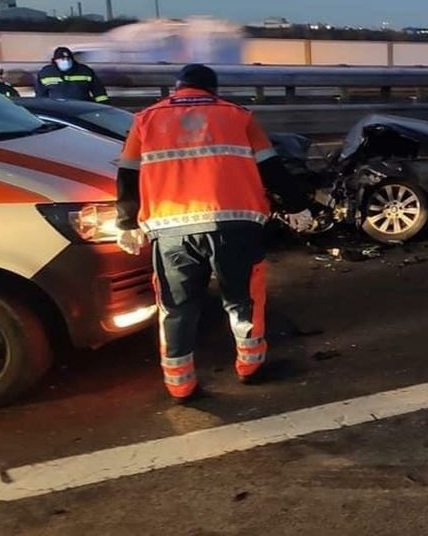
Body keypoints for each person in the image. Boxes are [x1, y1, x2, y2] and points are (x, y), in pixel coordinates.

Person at [115, 64, 314, 402]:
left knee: (176, 307)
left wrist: (127, 222)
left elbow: (127, 175)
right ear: (214, 89)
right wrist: (297, 206)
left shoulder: (145, 120)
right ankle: (250, 366)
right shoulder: (238, 116)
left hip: (170, 230)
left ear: (177, 87)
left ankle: (180, 384)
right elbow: (271, 167)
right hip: (234, 225)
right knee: (242, 300)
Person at [35, 47, 109, 102]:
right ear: (55, 60)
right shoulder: (46, 73)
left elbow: (98, 90)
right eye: (62, 59)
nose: (66, 61)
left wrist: (103, 105)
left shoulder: (85, 71)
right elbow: (40, 95)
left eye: (68, 59)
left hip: (82, 108)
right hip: (57, 110)